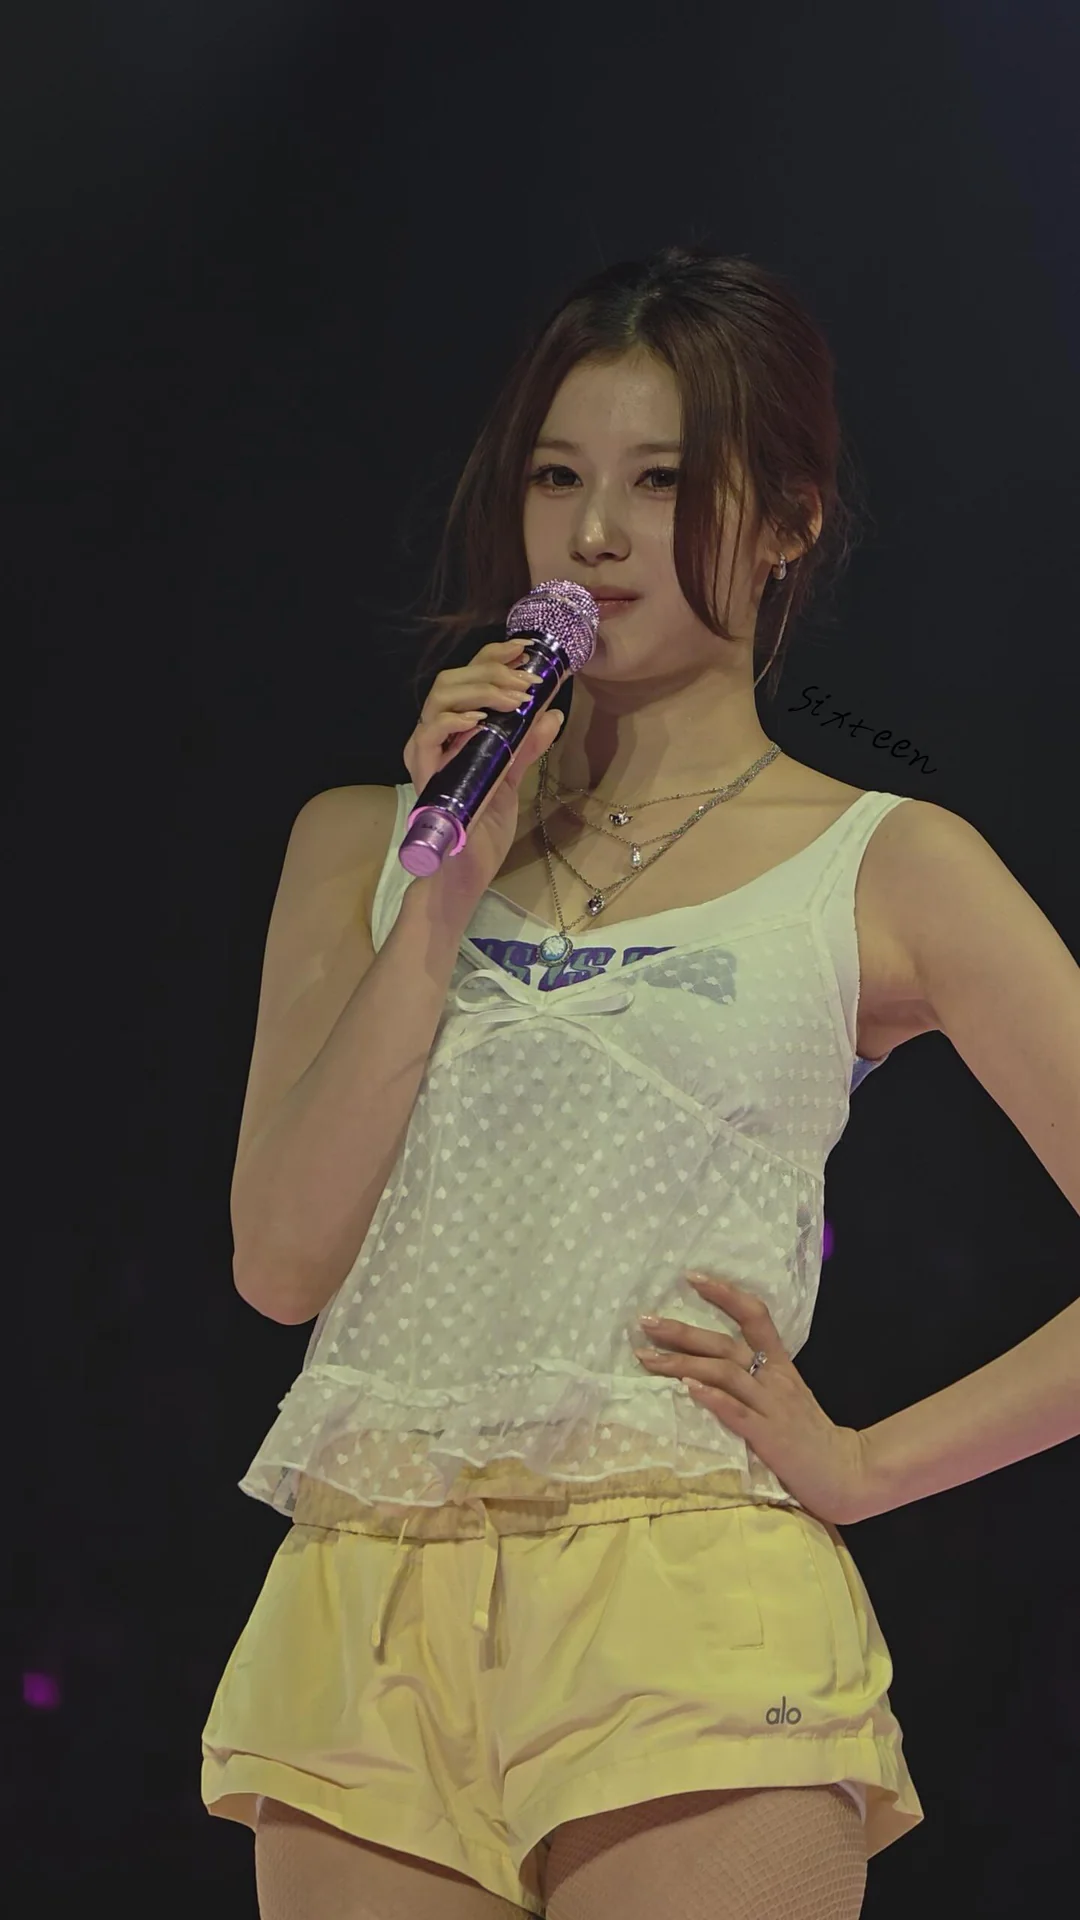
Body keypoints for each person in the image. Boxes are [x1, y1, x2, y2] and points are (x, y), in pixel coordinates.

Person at [202, 248, 929, 1918]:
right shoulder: (364, 846)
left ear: (789, 518)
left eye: (662, 482)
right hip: (366, 1603)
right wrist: (441, 890)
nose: (595, 536)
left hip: (688, 1591)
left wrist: (868, 1464)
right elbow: (282, 1263)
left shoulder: (879, 865)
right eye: (556, 478)